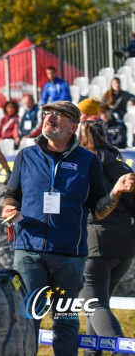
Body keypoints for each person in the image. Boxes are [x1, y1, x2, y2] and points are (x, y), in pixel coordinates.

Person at [1, 101, 135, 356]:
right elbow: (11, 193)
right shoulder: (26, 156)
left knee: (66, 323)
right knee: (29, 321)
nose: (50, 117)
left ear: (73, 126)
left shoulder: (88, 161)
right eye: (47, 113)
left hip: (69, 259)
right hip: (28, 251)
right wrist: (8, 207)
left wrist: (115, 192)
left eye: (59, 114)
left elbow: (98, 209)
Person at [76, 120, 135, 356]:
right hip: (126, 248)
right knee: (99, 304)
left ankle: (122, 351)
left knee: (93, 304)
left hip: (95, 246)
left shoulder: (81, 165)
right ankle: (93, 354)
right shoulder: (123, 167)